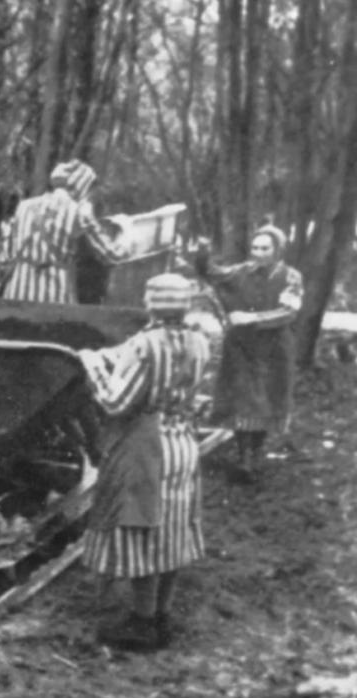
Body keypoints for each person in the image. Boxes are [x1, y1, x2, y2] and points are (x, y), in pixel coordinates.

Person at [76, 273, 210, 652]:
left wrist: (92, 364)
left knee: (144, 529)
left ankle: (141, 623)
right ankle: (162, 615)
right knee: (173, 529)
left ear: (151, 304)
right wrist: (115, 356)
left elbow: (117, 402)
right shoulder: (199, 341)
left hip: (147, 446)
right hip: (182, 442)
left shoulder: (144, 344)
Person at [194, 225, 304, 483]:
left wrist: (252, 317)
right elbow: (211, 273)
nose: (258, 253)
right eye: (255, 247)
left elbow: (290, 311)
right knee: (244, 401)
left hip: (274, 349)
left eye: (265, 248)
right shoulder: (241, 271)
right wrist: (202, 252)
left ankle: (255, 452)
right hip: (242, 349)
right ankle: (245, 458)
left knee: (267, 400)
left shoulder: (291, 277)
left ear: (277, 250)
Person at [0, 159, 128, 304]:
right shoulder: (80, 212)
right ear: (82, 187)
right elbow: (112, 255)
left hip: (15, 296)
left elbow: (6, 256)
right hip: (52, 299)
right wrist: (125, 232)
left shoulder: (24, 206)